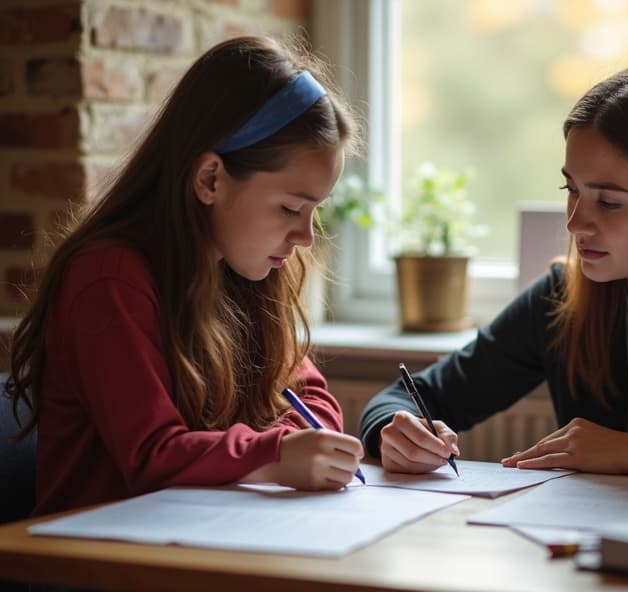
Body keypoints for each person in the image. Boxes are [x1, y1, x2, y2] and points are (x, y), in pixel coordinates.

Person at [359, 55, 628, 486]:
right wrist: (393, 432)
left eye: (608, 202)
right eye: (571, 190)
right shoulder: (564, 298)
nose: (574, 225)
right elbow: (413, 396)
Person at [5, 35, 366, 516]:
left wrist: (305, 444)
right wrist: (277, 453)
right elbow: (152, 455)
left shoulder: (248, 270)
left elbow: (312, 400)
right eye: (292, 208)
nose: (306, 236)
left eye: (316, 210)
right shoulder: (108, 278)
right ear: (211, 179)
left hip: (201, 535)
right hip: (97, 559)